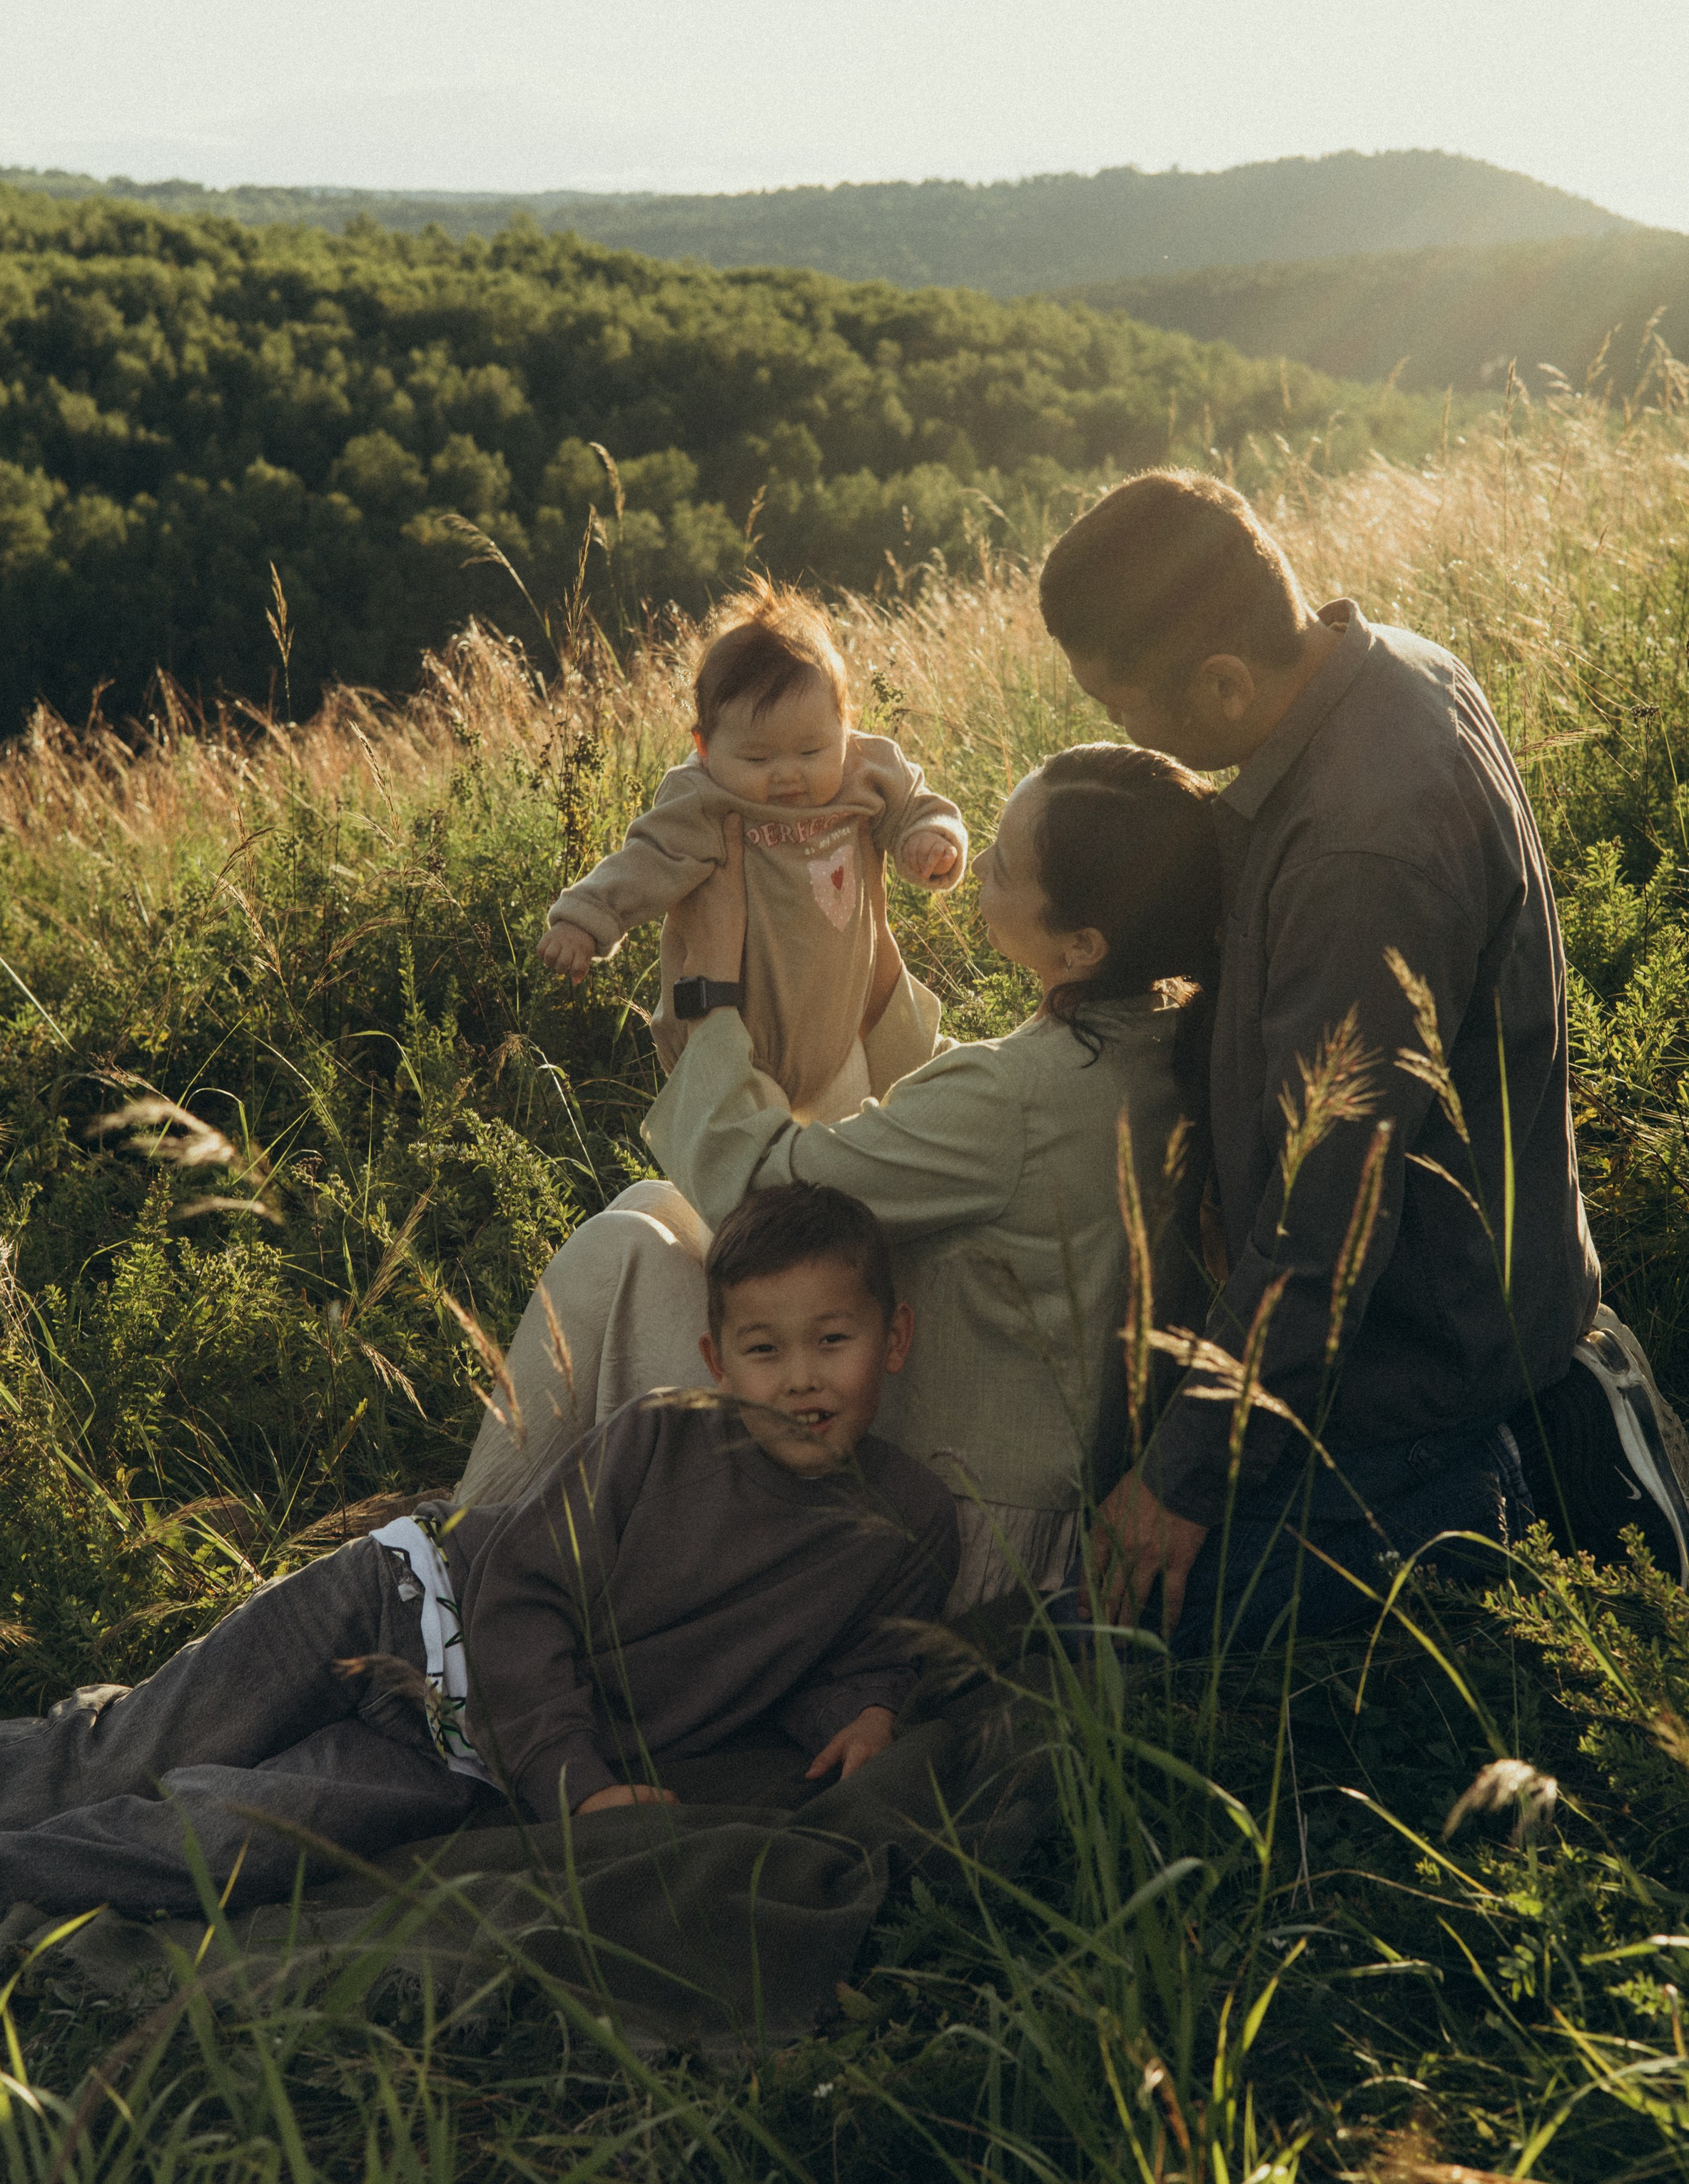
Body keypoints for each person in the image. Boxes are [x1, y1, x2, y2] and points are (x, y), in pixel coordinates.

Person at [0, 1187, 956, 1931]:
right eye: (765, 1350)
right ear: (718, 1362)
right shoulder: (657, 1440)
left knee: (232, 1840)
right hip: (405, 1602)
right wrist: (576, 1787)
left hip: (461, 1755)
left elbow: (857, 1657)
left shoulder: (909, 1520)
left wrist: (866, 1713)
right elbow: (524, 1597)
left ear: (894, 1341)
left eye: (834, 1340)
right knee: (132, 1745)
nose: (802, 1378)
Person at [1035, 466, 1678, 1655]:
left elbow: (1331, 1213)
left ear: (1224, 681)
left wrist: (1183, 1479)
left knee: (1092, 1628)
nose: (1133, 737)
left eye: (1129, 711)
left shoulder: (1358, 853)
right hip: (1441, 1311)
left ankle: (1495, 1517)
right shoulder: (1391, 664)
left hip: (1416, 1376)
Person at [465, 743, 1222, 1611]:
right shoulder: (1150, 1044)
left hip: (948, 1523)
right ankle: (515, 1553)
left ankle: (456, 1568)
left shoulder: (1022, 1095)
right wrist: (866, 955)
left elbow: (769, 1197)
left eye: (1006, 864)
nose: (984, 869)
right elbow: (944, 1135)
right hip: (1030, 1495)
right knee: (652, 1209)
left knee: (620, 1248)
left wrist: (711, 991)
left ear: (1082, 944)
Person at [538, 585, 967, 1120]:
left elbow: (918, 808)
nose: (788, 773)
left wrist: (932, 840)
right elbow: (642, 861)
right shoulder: (705, 802)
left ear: (845, 723)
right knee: (758, 1181)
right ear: (704, 747)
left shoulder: (865, 771)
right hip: (736, 1046)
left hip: (837, 1046)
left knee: (849, 1169)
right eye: (757, 757)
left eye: (811, 750)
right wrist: (584, 920)